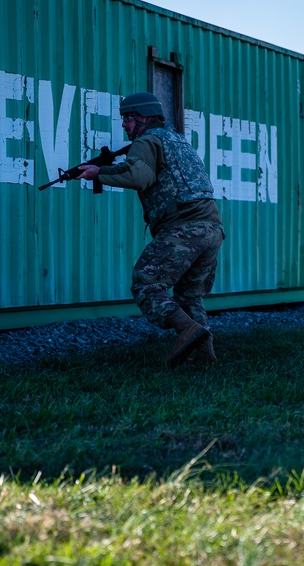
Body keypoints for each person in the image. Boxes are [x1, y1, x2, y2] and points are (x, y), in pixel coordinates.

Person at [72, 92, 224, 366]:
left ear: (142, 117)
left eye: (126, 119)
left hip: (184, 227)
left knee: (146, 283)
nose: (124, 126)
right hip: (212, 229)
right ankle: (203, 357)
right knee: (189, 295)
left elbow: (138, 176)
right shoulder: (176, 140)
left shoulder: (146, 140)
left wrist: (98, 174)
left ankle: (186, 330)